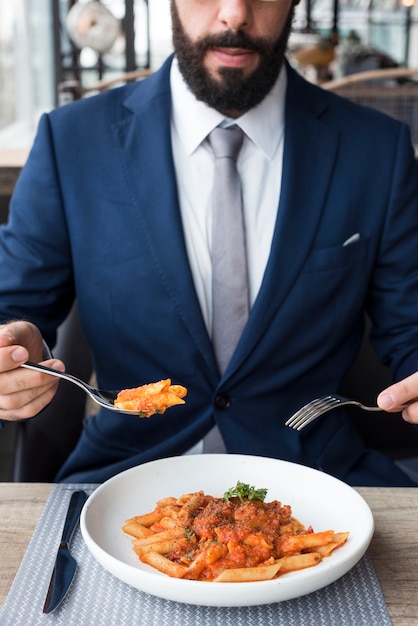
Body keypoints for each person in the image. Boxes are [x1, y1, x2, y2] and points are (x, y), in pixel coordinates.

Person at [0, 0, 418, 486]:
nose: (235, 13)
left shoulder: (377, 150)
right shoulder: (70, 140)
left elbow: (410, 326)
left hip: (317, 480)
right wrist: (9, 348)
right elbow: (13, 305)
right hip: (122, 478)